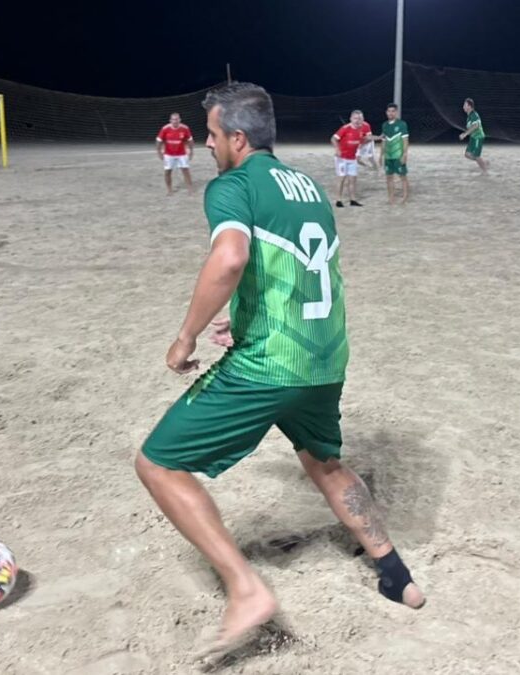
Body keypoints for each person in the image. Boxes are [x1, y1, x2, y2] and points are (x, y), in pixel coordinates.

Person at [136, 82, 424, 662]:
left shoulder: (233, 186)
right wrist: (242, 320)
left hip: (273, 364)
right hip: (326, 354)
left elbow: (233, 257)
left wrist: (187, 334)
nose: (206, 144)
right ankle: (396, 575)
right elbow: (290, 266)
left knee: (158, 464)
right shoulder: (309, 187)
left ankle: (246, 590)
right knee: (323, 461)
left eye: (212, 134)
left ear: (237, 139)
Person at [331, 111, 369, 207]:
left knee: (353, 179)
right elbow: (333, 139)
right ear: (351, 118)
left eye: (359, 118)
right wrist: (337, 149)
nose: (357, 120)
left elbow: (363, 140)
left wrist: (378, 138)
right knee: (341, 179)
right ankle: (338, 200)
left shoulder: (361, 129)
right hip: (342, 158)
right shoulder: (345, 128)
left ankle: (353, 200)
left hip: (352, 158)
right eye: (355, 118)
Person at [156, 112, 195, 195]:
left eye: (177, 119)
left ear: (180, 120)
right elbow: (159, 140)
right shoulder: (165, 129)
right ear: (170, 120)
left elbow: (190, 140)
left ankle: (190, 189)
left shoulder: (185, 128)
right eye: (173, 119)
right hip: (168, 154)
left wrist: (191, 151)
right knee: (167, 171)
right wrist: (159, 151)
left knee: (185, 170)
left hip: (182, 153)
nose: (175, 121)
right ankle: (169, 190)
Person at [380, 103, 410, 205]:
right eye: (389, 111)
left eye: (393, 111)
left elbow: (405, 140)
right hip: (388, 156)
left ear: (396, 112)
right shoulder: (384, 125)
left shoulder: (402, 124)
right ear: (386, 112)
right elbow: (384, 141)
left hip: (398, 156)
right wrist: (381, 155)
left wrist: (404, 154)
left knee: (403, 176)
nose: (391, 113)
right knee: (389, 177)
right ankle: (391, 197)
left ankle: (405, 197)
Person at [460, 98, 489, 173]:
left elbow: (476, 125)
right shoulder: (469, 116)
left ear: (469, 106)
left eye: (465, 105)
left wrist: (465, 134)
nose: (463, 107)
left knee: (477, 156)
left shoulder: (474, 115)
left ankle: (485, 172)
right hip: (473, 137)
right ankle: (484, 163)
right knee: (467, 154)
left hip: (478, 137)